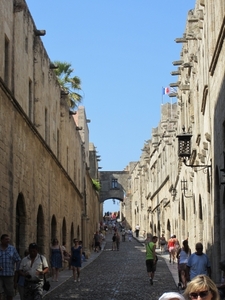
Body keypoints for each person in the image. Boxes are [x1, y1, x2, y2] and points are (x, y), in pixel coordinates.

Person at [0, 233, 21, 300]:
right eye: (6, 239)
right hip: (0, 275)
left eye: (8, 239)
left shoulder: (12, 249)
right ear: (2, 240)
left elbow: (18, 260)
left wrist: (16, 270)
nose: (8, 241)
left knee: (10, 293)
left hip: (9, 275)